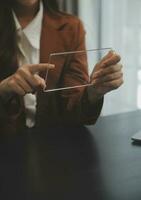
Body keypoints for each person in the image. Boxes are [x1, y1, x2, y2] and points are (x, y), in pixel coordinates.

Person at [0, 0, 123, 135]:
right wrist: (3, 89)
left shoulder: (71, 28)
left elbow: (73, 109)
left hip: (54, 144)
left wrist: (93, 92)